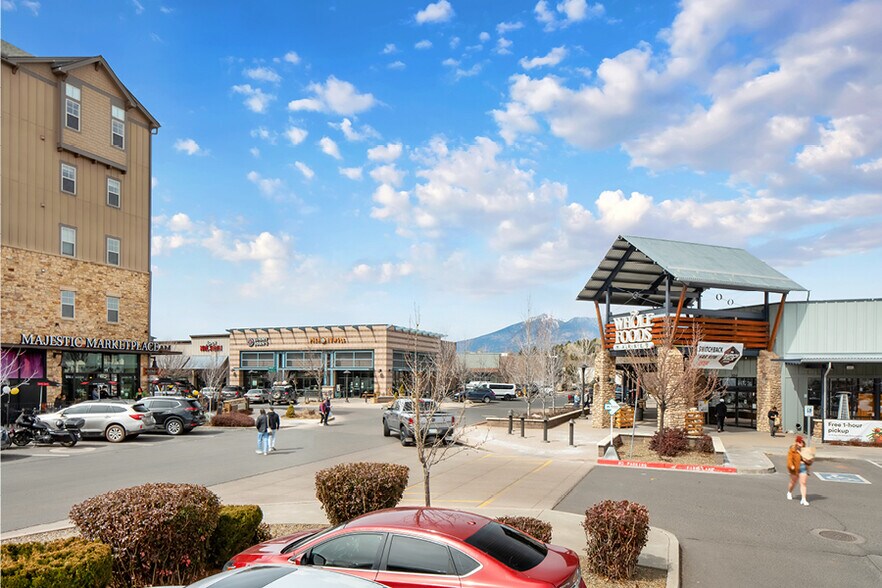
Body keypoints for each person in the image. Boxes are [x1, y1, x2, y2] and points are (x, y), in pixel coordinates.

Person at [787, 435, 813, 506]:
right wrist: (791, 465)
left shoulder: (805, 450)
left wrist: (807, 460)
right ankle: (789, 492)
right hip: (795, 468)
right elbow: (789, 459)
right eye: (799, 442)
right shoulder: (792, 450)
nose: (800, 444)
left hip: (803, 467)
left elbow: (810, 461)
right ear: (796, 443)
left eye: (801, 442)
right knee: (793, 482)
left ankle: (803, 499)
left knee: (803, 483)